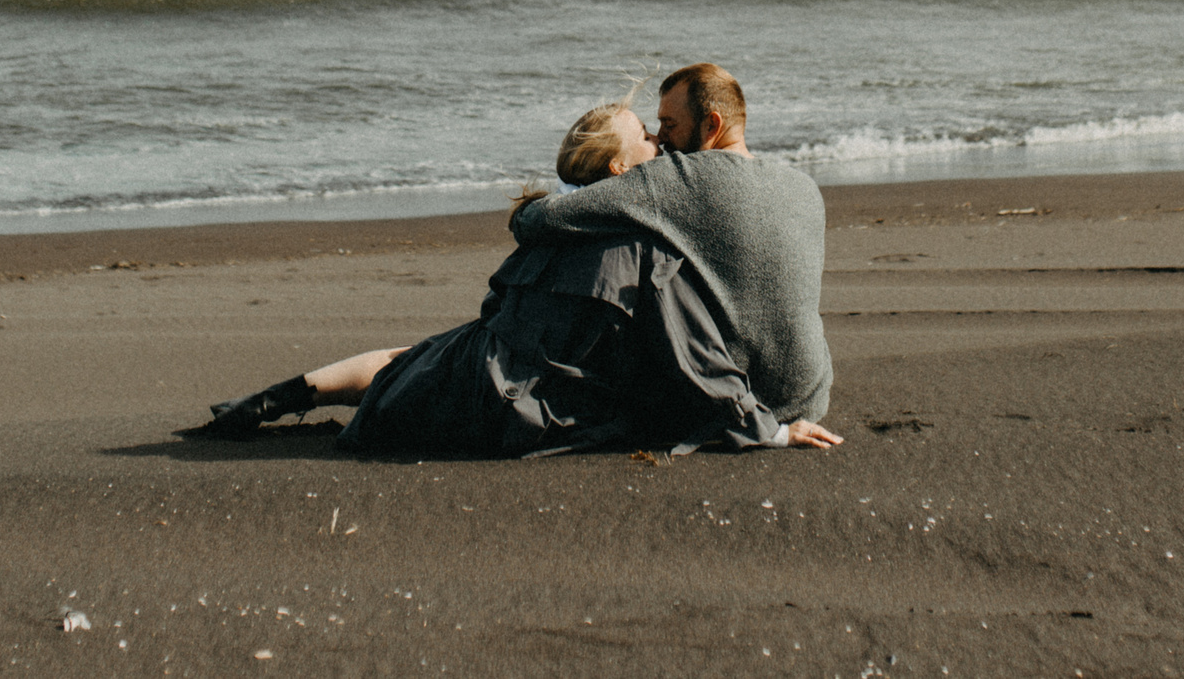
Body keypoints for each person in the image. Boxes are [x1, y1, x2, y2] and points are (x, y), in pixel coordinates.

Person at [183, 95, 843, 455]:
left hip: (445, 379)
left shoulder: (552, 234)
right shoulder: (644, 253)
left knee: (404, 360)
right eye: (647, 133)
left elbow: (491, 319)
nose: (661, 144)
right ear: (621, 170)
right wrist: (771, 427)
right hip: (507, 412)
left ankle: (266, 402)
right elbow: (690, 356)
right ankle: (270, 406)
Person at [505, 64, 832, 431]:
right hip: (807, 396)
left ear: (712, 125)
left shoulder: (679, 177)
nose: (661, 138)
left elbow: (542, 220)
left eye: (670, 124)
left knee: (627, 248)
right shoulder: (805, 189)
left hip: (737, 402)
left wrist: (528, 209)